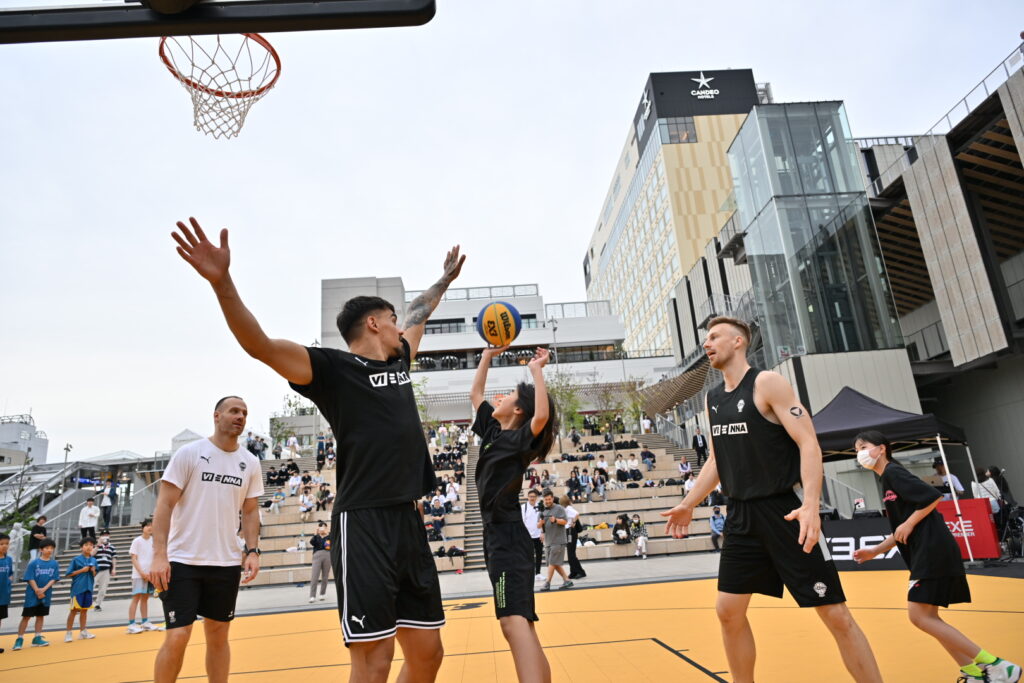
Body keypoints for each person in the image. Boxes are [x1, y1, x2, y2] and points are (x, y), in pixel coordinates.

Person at [174, 219, 461, 680]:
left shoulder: (399, 360)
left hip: (408, 519)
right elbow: (260, 345)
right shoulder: (332, 368)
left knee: (428, 653)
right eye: (391, 320)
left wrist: (443, 281)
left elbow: (418, 313)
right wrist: (222, 282)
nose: (400, 327)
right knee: (375, 659)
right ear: (374, 323)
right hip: (362, 521)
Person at [661, 317, 882, 683]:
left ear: (738, 342)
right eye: (706, 339)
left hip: (785, 511)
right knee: (728, 612)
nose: (706, 344)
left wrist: (811, 504)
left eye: (714, 337)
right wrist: (689, 502)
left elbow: (808, 443)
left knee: (835, 614)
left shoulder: (767, 383)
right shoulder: (713, 398)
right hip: (741, 516)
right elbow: (716, 460)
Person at [852, 431, 1020, 683]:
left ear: (882, 448)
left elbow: (932, 497)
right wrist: (874, 551)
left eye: (864, 447)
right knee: (929, 618)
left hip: (932, 550)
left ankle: (997, 665)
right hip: (926, 551)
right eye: (856, 450)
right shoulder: (886, 480)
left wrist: (909, 523)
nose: (860, 454)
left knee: (919, 616)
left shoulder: (894, 472)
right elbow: (900, 529)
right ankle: (973, 673)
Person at [149, 396, 264, 683]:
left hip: (225, 562)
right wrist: (159, 554)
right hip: (182, 560)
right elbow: (164, 505)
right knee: (178, 635)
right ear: (216, 416)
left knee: (218, 634)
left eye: (244, 413)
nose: (240, 416)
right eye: (234, 411)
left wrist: (252, 551)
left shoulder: (250, 462)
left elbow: (250, 511)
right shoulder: (190, 453)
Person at [470, 345, 555, 682]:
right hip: (500, 536)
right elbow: (476, 394)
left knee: (512, 623)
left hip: (506, 537)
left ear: (517, 409)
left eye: (508, 395)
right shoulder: (493, 433)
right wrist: (486, 356)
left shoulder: (519, 440)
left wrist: (537, 371)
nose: (500, 397)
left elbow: (541, 418)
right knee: (522, 625)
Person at [14, 537, 59, 650]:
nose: (49, 550)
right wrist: (37, 590)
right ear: (41, 550)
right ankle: (19, 639)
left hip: (46, 594)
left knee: (40, 616)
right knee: (26, 616)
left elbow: (54, 578)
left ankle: (37, 637)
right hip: (32, 594)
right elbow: (30, 578)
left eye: (51, 548)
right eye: (47, 548)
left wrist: (44, 589)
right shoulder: (34, 563)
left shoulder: (54, 563)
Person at [128, 519, 160, 634]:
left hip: (150, 575)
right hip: (138, 575)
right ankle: (131, 624)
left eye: (152, 525)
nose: (150, 527)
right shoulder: (137, 541)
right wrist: (141, 573)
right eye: (147, 525)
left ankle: (145, 622)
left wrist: (151, 573)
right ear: (142, 528)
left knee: (145, 599)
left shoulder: (154, 541)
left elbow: (155, 558)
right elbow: (134, 558)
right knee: (136, 598)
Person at [64, 537, 98, 643]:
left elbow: (94, 574)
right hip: (77, 588)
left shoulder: (94, 560)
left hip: (88, 588)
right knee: (74, 611)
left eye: (91, 545)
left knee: (85, 610)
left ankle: (83, 632)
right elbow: (68, 574)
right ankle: (68, 633)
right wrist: (81, 570)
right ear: (81, 547)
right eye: (86, 545)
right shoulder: (76, 559)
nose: (89, 547)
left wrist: (93, 571)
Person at [538, 489, 573, 592]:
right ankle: (567, 580)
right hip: (548, 541)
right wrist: (541, 526)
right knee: (554, 563)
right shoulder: (542, 510)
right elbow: (538, 525)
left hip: (558, 540)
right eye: (546, 499)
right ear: (543, 499)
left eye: (549, 499)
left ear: (552, 498)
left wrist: (556, 520)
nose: (548, 501)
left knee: (552, 562)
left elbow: (565, 521)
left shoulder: (559, 508)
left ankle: (547, 583)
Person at [521, 489, 544, 581]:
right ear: (528, 497)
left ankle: (538, 573)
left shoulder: (540, 506)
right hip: (528, 536)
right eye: (530, 496)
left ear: (536, 497)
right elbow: (522, 522)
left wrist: (542, 532)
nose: (532, 498)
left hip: (538, 535)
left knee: (539, 555)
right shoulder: (524, 507)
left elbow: (543, 520)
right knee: (528, 556)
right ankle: (529, 574)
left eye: (534, 497)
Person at [93, 531, 118, 612]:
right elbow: (91, 554)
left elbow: (114, 558)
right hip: (95, 570)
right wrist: (98, 544)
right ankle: (84, 603)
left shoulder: (112, 547)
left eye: (107, 535)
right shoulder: (96, 545)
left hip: (106, 569)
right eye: (103, 535)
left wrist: (114, 569)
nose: (105, 537)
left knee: (103, 589)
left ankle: (98, 604)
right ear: (100, 536)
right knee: (90, 587)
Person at [562, 498, 586, 580]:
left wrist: (574, 522)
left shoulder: (568, 508)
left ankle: (580, 572)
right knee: (570, 553)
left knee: (571, 554)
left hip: (570, 531)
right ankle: (573, 571)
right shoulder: (566, 508)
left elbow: (577, 514)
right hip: (568, 531)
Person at [309, 522, 331, 604]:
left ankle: (322, 594)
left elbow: (331, 544)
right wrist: (315, 533)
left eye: (324, 527)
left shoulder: (329, 537)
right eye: (321, 527)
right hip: (317, 556)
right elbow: (312, 542)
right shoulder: (316, 537)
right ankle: (312, 595)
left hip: (327, 555)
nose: (322, 528)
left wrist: (327, 534)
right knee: (314, 576)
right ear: (318, 528)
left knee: (325, 576)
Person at [0, 533, 11, 653]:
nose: (4, 546)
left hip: (3, 596)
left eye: (7, 544)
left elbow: (10, 574)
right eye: (1, 544)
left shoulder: (8, 560)